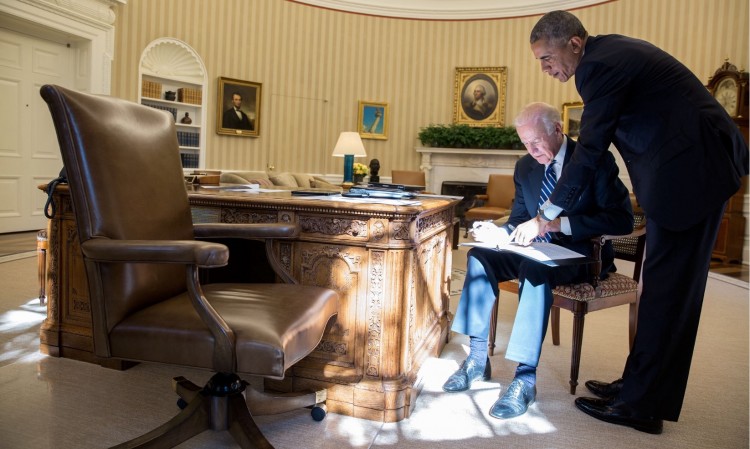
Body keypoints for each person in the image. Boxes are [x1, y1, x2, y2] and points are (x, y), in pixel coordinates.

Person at [514, 10, 749, 434]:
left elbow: (589, 152)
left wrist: (545, 214)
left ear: (574, 43)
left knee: (667, 293)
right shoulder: (608, 55)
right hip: (686, 172)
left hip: (694, 175)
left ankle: (641, 405)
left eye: (547, 58)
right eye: (540, 62)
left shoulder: (597, 67)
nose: (546, 68)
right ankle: (636, 385)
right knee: (659, 287)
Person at [444, 102, 633, 421]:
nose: (531, 150)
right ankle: (477, 360)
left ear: (557, 130)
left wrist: (558, 224)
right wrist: (497, 232)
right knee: (479, 258)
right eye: (525, 143)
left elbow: (621, 220)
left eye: (536, 142)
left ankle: (524, 380)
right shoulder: (525, 167)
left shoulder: (593, 161)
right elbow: (519, 218)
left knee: (535, 269)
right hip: (533, 249)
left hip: (581, 256)